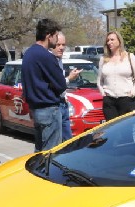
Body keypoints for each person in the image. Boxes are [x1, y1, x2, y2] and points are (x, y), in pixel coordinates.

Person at [22, 18, 66, 151]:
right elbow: (61, 84)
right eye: (56, 35)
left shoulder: (28, 54)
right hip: (49, 110)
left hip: (36, 109)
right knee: (50, 154)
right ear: (48, 35)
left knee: (40, 153)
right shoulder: (45, 56)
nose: (57, 39)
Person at [97, 30, 135, 121]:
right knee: (112, 131)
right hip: (109, 101)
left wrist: (133, 90)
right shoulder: (103, 59)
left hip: (127, 100)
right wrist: (103, 93)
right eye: (108, 40)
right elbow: (99, 80)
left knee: (126, 130)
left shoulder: (129, 57)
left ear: (119, 41)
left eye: (112, 40)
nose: (109, 42)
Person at [51, 32, 82, 141]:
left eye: (63, 45)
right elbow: (55, 84)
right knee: (55, 142)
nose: (61, 48)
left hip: (63, 103)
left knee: (67, 140)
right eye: (58, 44)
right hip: (54, 105)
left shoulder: (60, 60)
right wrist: (69, 78)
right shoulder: (49, 61)